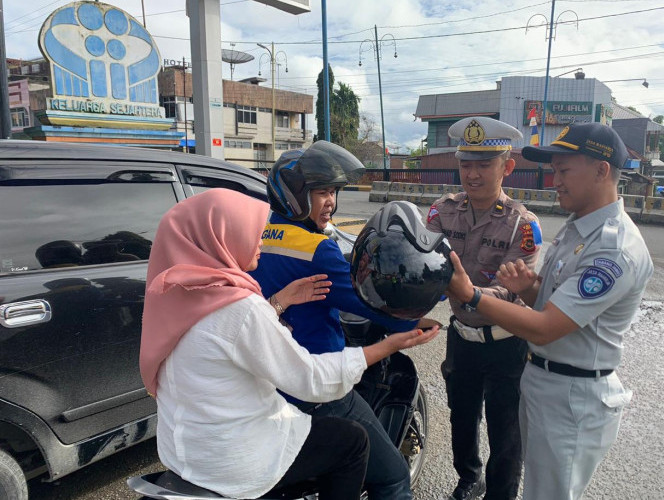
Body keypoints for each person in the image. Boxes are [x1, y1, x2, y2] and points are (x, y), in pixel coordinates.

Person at [139, 188, 440, 500]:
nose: (260, 241)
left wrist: (280, 302)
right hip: (232, 459)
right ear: (221, 237)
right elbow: (311, 379)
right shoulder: (242, 305)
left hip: (186, 452)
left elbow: (218, 339)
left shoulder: (175, 294)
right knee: (354, 443)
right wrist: (389, 345)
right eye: (252, 232)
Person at [446, 122, 654, 500]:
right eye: (554, 171)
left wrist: (471, 296)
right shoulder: (578, 230)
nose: (554, 181)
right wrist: (530, 288)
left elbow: (545, 327)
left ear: (601, 170)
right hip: (544, 380)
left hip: (573, 396)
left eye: (563, 171)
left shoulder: (613, 248)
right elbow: (556, 299)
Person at [251, 141, 437, 500]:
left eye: (334, 191)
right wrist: (421, 312)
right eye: (321, 192)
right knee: (394, 476)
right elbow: (369, 300)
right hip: (318, 385)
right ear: (293, 194)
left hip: (268, 381)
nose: (331, 202)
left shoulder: (258, 234)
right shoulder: (315, 249)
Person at [425, 117, 542, 500]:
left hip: (507, 342)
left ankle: (500, 494)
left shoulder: (521, 225)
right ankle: (469, 478)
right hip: (461, 336)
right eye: (465, 164)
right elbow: (424, 261)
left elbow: (514, 293)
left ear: (507, 167)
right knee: (462, 418)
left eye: (483, 164)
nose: (472, 174)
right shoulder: (442, 211)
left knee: (506, 432)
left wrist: (467, 291)